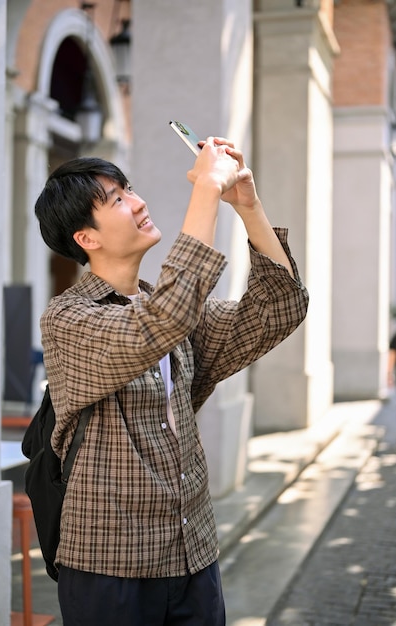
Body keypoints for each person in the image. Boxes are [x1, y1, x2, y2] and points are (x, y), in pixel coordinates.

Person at [34, 137, 309, 626]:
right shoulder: (68, 319)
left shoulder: (171, 312)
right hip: (108, 565)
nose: (138, 202)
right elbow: (160, 322)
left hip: (192, 553)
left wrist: (247, 206)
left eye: (130, 189)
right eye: (117, 199)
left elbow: (279, 308)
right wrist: (204, 188)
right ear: (87, 238)